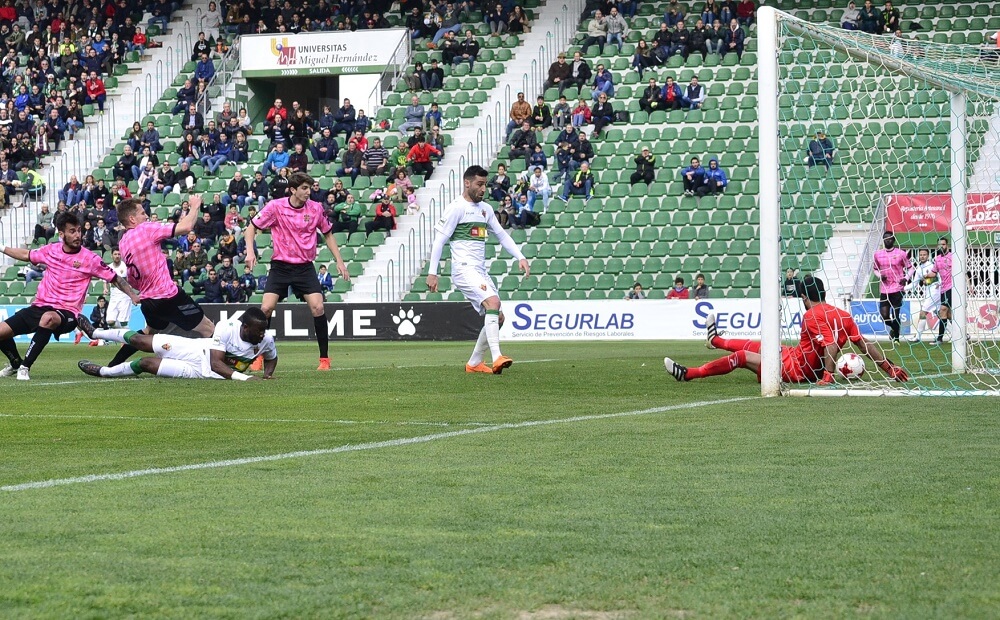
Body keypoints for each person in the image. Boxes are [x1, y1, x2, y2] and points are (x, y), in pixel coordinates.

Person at [664, 277, 911, 385]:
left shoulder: (810, 315)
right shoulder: (844, 315)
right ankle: (716, 340)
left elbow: (830, 345)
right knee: (757, 345)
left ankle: (689, 374)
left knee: (742, 357)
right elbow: (864, 344)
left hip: (796, 370)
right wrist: (890, 367)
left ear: (804, 297)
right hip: (794, 355)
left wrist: (827, 375)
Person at [0, 212, 139, 380]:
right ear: (61, 234)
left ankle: (25, 367)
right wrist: (1, 248)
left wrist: (133, 295)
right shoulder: (51, 250)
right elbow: (26, 255)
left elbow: (114, 278)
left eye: (79, 231)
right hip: (40, 306)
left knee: (48, 318)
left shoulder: (90, 259)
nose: (78, 235)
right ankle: (15, 363)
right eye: (72, 231)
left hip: (67, 313)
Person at [427, 165, 529, 374]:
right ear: (467, 183)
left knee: (498, 317)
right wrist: (432, 272)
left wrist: (520, 256)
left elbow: (501, 235)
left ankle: (474, 363)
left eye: (485, 184)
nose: (483, 189)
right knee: (493, 302)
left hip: (479, 270)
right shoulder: (456, 208)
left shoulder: (486, 209)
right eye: (479, 184)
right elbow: (439, 240)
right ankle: (497, 356)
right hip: (464, 269)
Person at [245, 172, 350, 371]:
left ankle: (324, 360)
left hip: (304, 267)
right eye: (304, 188)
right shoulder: (276, 207)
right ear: (293, 190)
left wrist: (340, 261)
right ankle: (258, 355)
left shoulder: (316, 208)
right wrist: (250, 251)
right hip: (281, 266)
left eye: (309, 188)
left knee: (318, 308)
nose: (308, 192)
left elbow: (328, 234)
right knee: (266, 309)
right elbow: (251, 227)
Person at [108, 197, 217, 369]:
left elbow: (133, 280)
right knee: (208, 328)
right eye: (142, 213)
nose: (147, 216)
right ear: (132, 219)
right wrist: (195, 207)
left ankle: (114, 364)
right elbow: (186, 227)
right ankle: (218, 367)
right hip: (168, 296)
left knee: (148, 332)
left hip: (148, 301)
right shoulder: (145, 229)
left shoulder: (123, 243)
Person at [77, 307, 277, 381]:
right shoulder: (227, 327)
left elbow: (272, 357)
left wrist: (267, 375)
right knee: (140, 340)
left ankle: (103, 372)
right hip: (195, 350)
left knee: (146, 364)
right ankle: (96, 332)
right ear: (245, 328)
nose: (263, 334)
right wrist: (245, 378)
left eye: (264, 330)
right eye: (259, 330)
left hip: (199, 373)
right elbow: (216, 362)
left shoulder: (265, 339)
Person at [873, 231, 909, 343]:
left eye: (889, 238)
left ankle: (897, 339)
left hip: (897, 287)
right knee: (884, 315)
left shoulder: (901, 253)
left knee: (896, 313)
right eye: (885, 238)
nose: (887, 240)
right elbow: (875, 269)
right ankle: (894, 328)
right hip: (884, 288)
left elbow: (911, 267)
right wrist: (880, 276)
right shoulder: (877, 254)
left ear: (893, 240)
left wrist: (906, 278)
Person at [905, 248, 941, 343]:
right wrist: (902, 288)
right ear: (918, 256)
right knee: (941, 314)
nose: (922, 256)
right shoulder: (919, 269)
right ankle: (959, 335)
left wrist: (939, 283)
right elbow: (914, 284)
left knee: (923, 312)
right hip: (929, 292)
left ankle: (917, 337)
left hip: (935, 291)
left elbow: (939, 277)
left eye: (924, 254)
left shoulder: (932, 265)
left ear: (928, 256)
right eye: (921, 255)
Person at [931, 236, 954, 343]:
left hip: (953, 287)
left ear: (947, 245)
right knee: (948, 315)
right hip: (943, 289)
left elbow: (964, 271)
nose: (941, 246)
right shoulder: (937, 259)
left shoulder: (953, 256)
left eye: (943, 244)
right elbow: (933, 273)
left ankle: (940, 338)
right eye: (939, 244)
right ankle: (964, 334)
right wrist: (924, 277)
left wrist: (969, 285)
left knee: (942, 310)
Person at [104, 249, 132, 328]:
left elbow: (131, 279)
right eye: (115, 254)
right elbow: (105, 280)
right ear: (111, 256)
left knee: (123, 322)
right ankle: (121, 334)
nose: (117, 256)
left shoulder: (125, 266)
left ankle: (124, 339)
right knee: (110, 321)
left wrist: (130, 286)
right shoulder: (109, 267)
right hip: (114, 295)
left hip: (125, 295)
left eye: (119, 254)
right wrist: (105, 288)